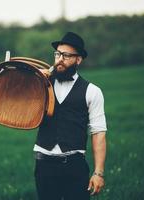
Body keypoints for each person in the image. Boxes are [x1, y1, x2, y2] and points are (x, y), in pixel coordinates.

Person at [34, 32, 107, 200]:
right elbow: (16, 96)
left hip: (75, 166)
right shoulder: (41, 84)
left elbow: (99, 133)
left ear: (78, 60)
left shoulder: (92, 91)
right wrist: (34, 79)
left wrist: (98, 173)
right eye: (58, 54)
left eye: (66, 56)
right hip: (44, 165)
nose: (60, 59)